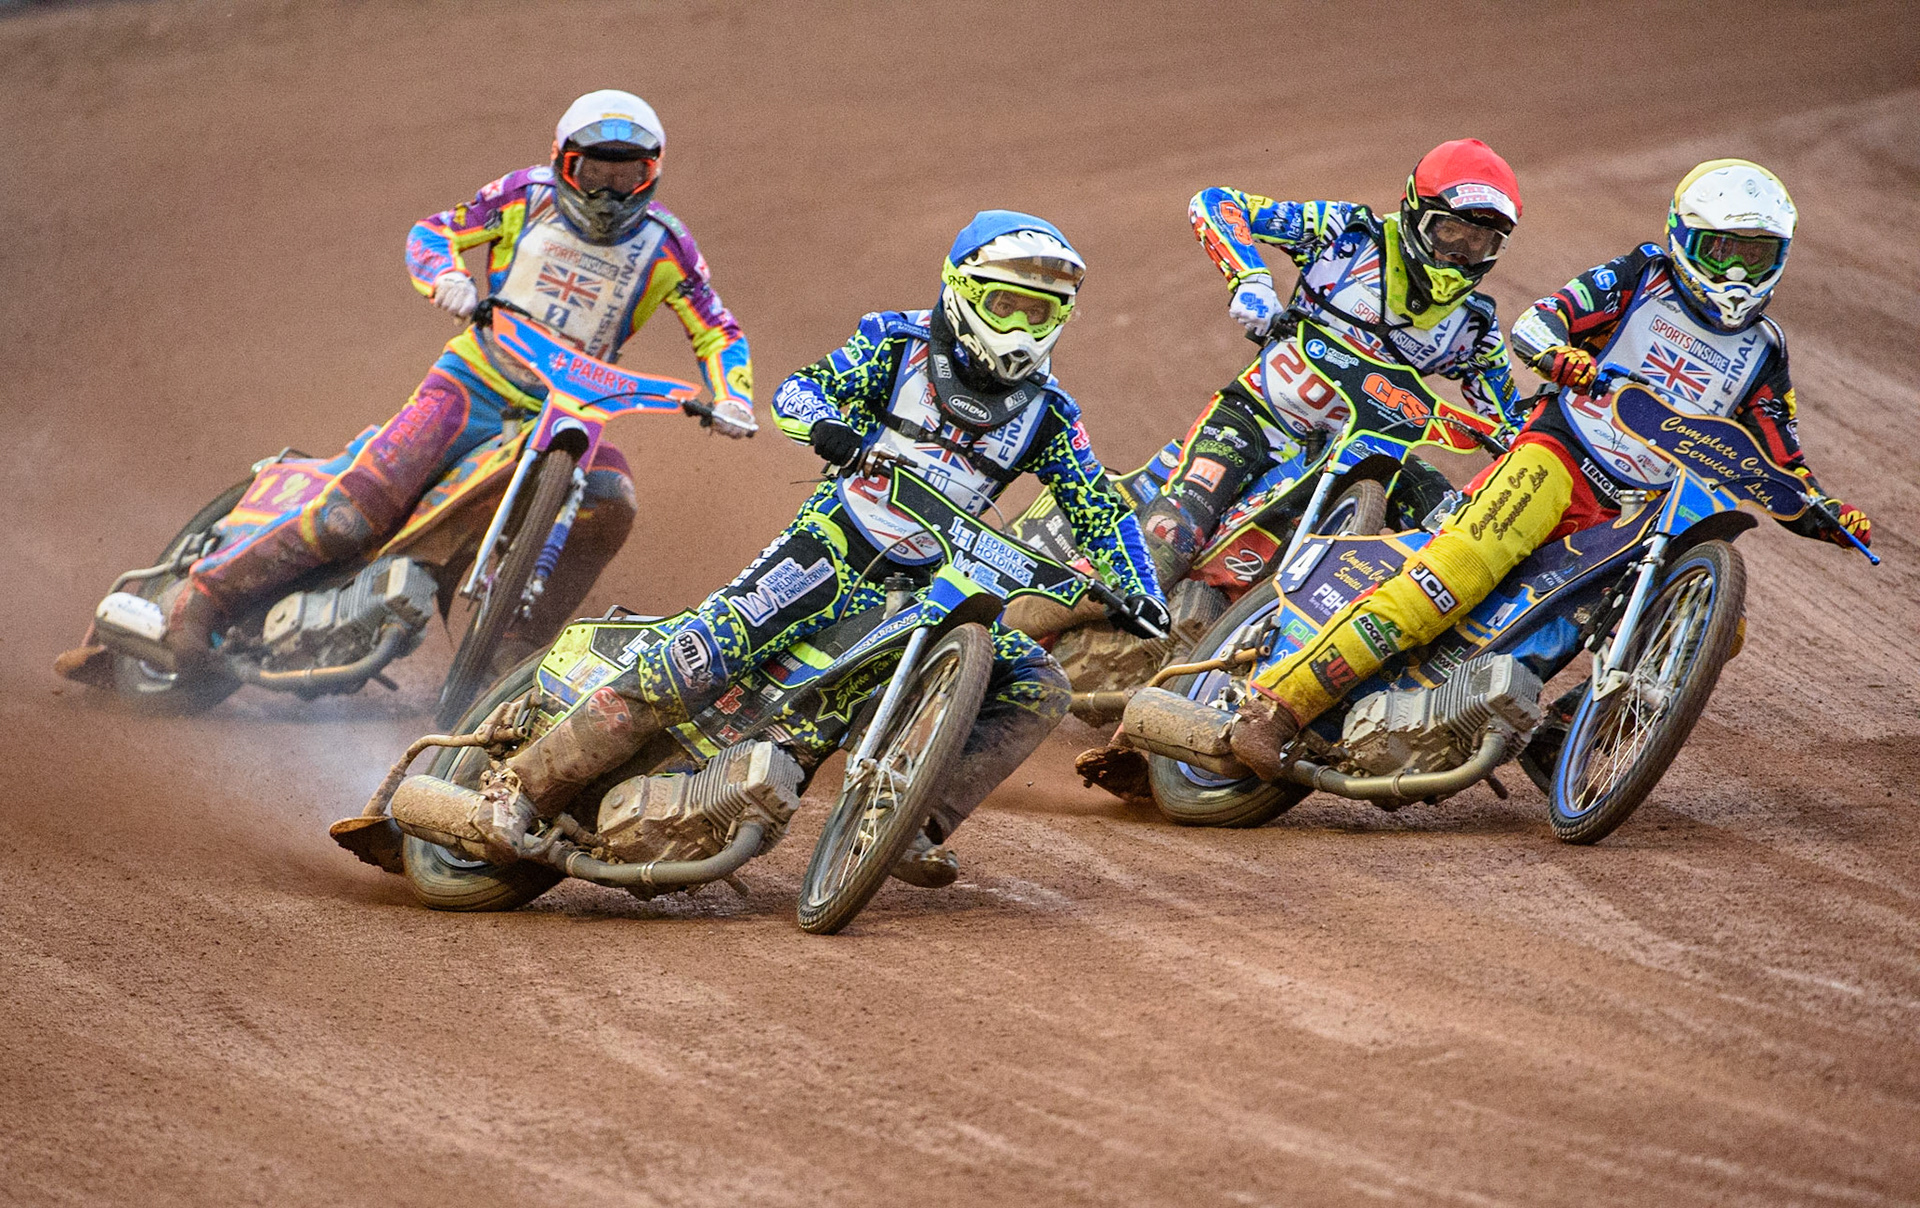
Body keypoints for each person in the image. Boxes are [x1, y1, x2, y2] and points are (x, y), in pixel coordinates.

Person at [469, 211, 1169, 887]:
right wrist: (827, 427)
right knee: (695, 663)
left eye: (1041, 313)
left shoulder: (1051, 415)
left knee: (1036, 683)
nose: (1021, 329)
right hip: (830, 549)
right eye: (1008, 305)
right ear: (962, 291)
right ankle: (518, 788)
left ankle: (907, 823)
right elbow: (799, 391)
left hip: (929, 587)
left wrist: (1141, 590)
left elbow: (1102, 511)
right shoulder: (898, 346)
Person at [1214, 159, 1873, 778]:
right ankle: (1277, 704)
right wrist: (1560, 356)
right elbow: (1538, 322)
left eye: (1752, 255)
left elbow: (1781, 458)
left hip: (1637, 508)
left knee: (1715, 623)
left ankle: (1566, 727)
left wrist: (1827, 512)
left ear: (1777, 258)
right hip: (1559, 453)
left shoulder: (1764, 349)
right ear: (1682, 237)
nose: (1734, 272)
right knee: (1457, 574)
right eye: (1720, 250)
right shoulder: (1641, 275)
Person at [162, 90, 757, 671]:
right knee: (357, 511)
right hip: (473, 382)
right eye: (593, 171)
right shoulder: (523, 196)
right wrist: (445, 275)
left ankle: (516, 650)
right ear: (562, 162)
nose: (608, 191)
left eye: (627, 176)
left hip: (573, 410)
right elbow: (433, 231)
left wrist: (734, 397)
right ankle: (207, 595)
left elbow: (718, 331)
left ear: (652, 174)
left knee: (611, 500)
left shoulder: (669, 245)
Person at [1133, 138, 1529, 585]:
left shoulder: (1473, 326)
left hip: (1369, 449)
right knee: (1173, 536)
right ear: (1417, 214)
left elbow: (1513, 426)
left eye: (1479, 243)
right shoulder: (1347, 235)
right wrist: (1251, 279)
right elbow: (1217, 204)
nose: (1458, 255)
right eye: (1449, 232)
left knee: (1452, 526)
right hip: (1260, 418)